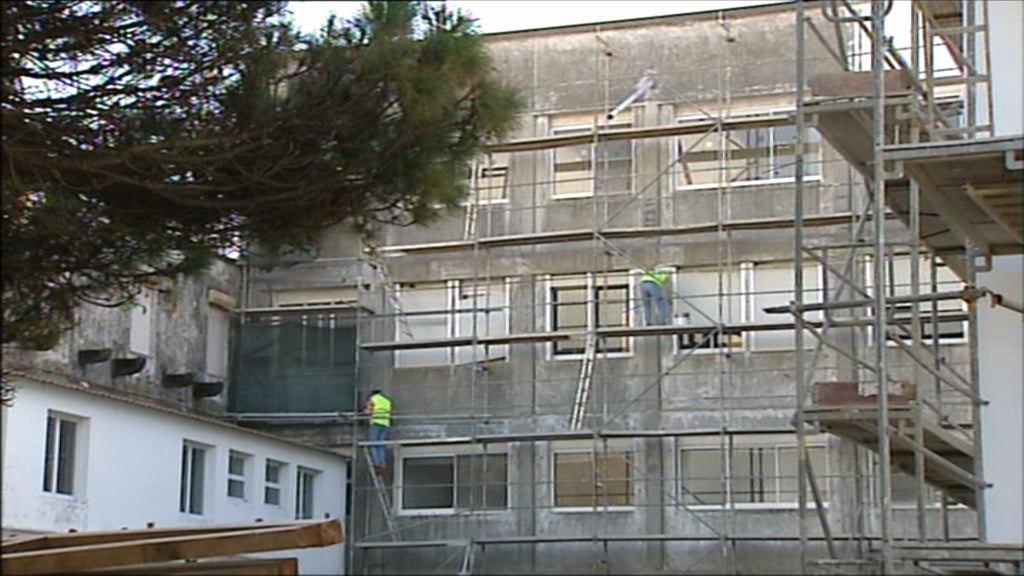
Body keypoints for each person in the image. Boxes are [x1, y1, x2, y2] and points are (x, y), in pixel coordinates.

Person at [362, 389, 393, 475]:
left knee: (374, 444)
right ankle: (382, 464)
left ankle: (377, 463)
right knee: (381, 445)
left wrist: (363, 413)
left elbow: (369, 411)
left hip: (376, 423)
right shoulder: (387, 401)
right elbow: (390, 412)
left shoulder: (373, 399)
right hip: (385, 423)